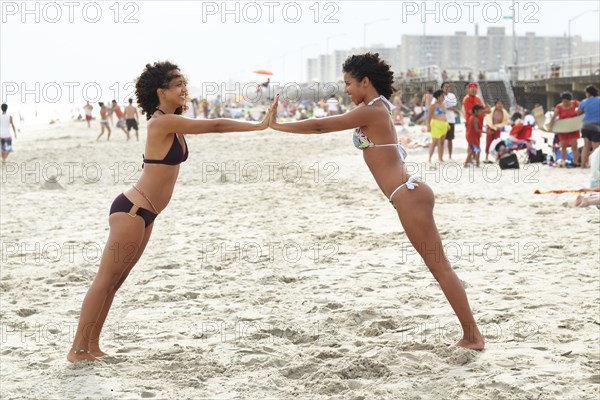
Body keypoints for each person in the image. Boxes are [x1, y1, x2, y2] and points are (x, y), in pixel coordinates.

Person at [268, 53, 484, 350]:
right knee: (438, 265)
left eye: (348, 83)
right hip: (408, 195)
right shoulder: (376, 106)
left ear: (365, 82)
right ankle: (472, 334)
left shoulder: (372, 111)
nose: (345, 90)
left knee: (440, 267)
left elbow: (321, 126)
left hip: (409, 196)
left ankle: (473, 336)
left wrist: (279, 126)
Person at [67, 61, 274, 362]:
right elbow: (215, 125)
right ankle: (77, 349)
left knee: (116, 282)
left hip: (146, 214)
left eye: (183, 84)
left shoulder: (172, 120)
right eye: (177, 85)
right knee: (104, 280)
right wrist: (258, 125)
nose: (184, 89)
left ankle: (92, 346)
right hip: (132, 210)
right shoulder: (160, 122)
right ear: (160, 92)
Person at [549, 92, 580, 168]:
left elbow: (583, 108)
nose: (565, 103)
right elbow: (553, 117)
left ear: (570, 100)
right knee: (563, 146)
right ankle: (563, 161)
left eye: (567, 102)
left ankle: (575, 162)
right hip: (563, 129)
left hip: (573, 127)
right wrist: (550, 127)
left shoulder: (575, 103)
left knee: (574, 146)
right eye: (564, 101)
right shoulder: (559, 107)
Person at [576, 85, 600, 168]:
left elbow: (578, 112)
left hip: (585, 125)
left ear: (588, 93)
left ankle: (583, 164)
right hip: (596, 126)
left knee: (586, 146)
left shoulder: (584, 101)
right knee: (596, 147)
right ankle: (594, 164)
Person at [427, 90, 449, 164]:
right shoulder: (433, 105)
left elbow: (444, 115)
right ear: (438, 97)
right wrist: (428, 126)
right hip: (435, 124)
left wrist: (447, 124)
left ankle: (440, 158)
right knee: (434, 142)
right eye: (442, 96)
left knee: (442, 142)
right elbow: (429, 116)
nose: (444, 97)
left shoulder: (443, 105)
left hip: (444, 124)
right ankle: (429, 158)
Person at [441, 82, 460, 159]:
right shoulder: (439, 95)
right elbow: (436, 107)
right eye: (445, 86)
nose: (447, 88)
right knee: (441, 139)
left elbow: (453, 107)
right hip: (441, 120)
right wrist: (446, 108)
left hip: (451, 119)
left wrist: (444, 107)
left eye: (448, 87)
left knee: (450, 139)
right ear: (442, 87)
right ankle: (441, 156)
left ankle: (450, 155)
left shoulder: (452, 95)